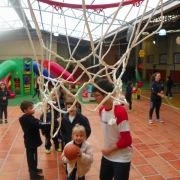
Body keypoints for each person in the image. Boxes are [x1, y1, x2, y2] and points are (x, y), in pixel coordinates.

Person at [92, 79, 132, 180]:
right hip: (108, 155)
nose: (94, 98)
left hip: (121, 157)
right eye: (94, 95)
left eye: (97, 95)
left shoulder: (119, 112)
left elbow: (127, 140)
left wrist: (109, 150)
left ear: (106, 95)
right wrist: (108, 151)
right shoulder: (101, 111)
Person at [19, 101, 51, 180]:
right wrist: (52, 123)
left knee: (34, 157)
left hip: (30, 142)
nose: (33, 109)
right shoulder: (29, 119)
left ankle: (34, 169)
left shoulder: (26, 118)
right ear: (25, 111)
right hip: (31, 142)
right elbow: (40, 124)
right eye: (31, 108)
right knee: (32, 159)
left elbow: (37, 122)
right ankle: (33, 175)